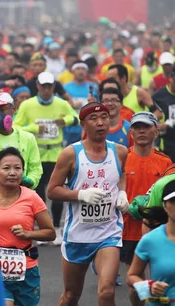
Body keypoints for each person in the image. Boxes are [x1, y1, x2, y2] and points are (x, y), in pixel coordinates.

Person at [47, 102, 129, 306]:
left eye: (104, 117)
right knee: (71, 296)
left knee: (107, 291)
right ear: (83, 124)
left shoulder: (120, 151)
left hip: (108, 231)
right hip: (78, 235)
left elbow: (123, 173)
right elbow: (52, 190)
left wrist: (123, 191)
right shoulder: (70, 153)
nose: (100, 123)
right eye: (94, 119)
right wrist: (80, 194)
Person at [0, 148, 56, 306]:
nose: (12, 173)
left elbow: (50, 233)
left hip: (26, 269)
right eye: (6, 168)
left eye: (17, 168)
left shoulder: (32, 197)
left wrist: (28, 234)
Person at [14, 71, 78, 244]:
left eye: (50, 86)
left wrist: (65, 120)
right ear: (38, 86)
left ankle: (57, 227)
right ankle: (43, 229)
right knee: (38, 193)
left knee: (56, 192)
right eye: (43, 86)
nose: (47, 89)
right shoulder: (27, 105)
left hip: (57, 153)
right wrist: (35, 128)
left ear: (53, 87)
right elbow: (16, 126)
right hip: (36, 153)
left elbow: (76, 117)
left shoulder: (61, 103)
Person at [122, 112, 172, 306]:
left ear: (156, 131)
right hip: (129, 230)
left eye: (147, 127)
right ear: (131, 132)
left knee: (160, 282)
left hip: (158, 229)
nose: (141, 131)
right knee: (137, 285)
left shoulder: (165, 162)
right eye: (137, 127)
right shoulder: (122, 158)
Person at [126, 179, 175, 306]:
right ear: (164, 205)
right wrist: (148, 286)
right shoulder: (151, 240)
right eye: (173, 201)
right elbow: (132, 276)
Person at [152, 68, 175, 162]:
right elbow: (151, 118)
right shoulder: (158, 96)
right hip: (166, 145)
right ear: (171, 78)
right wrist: (159, 125)